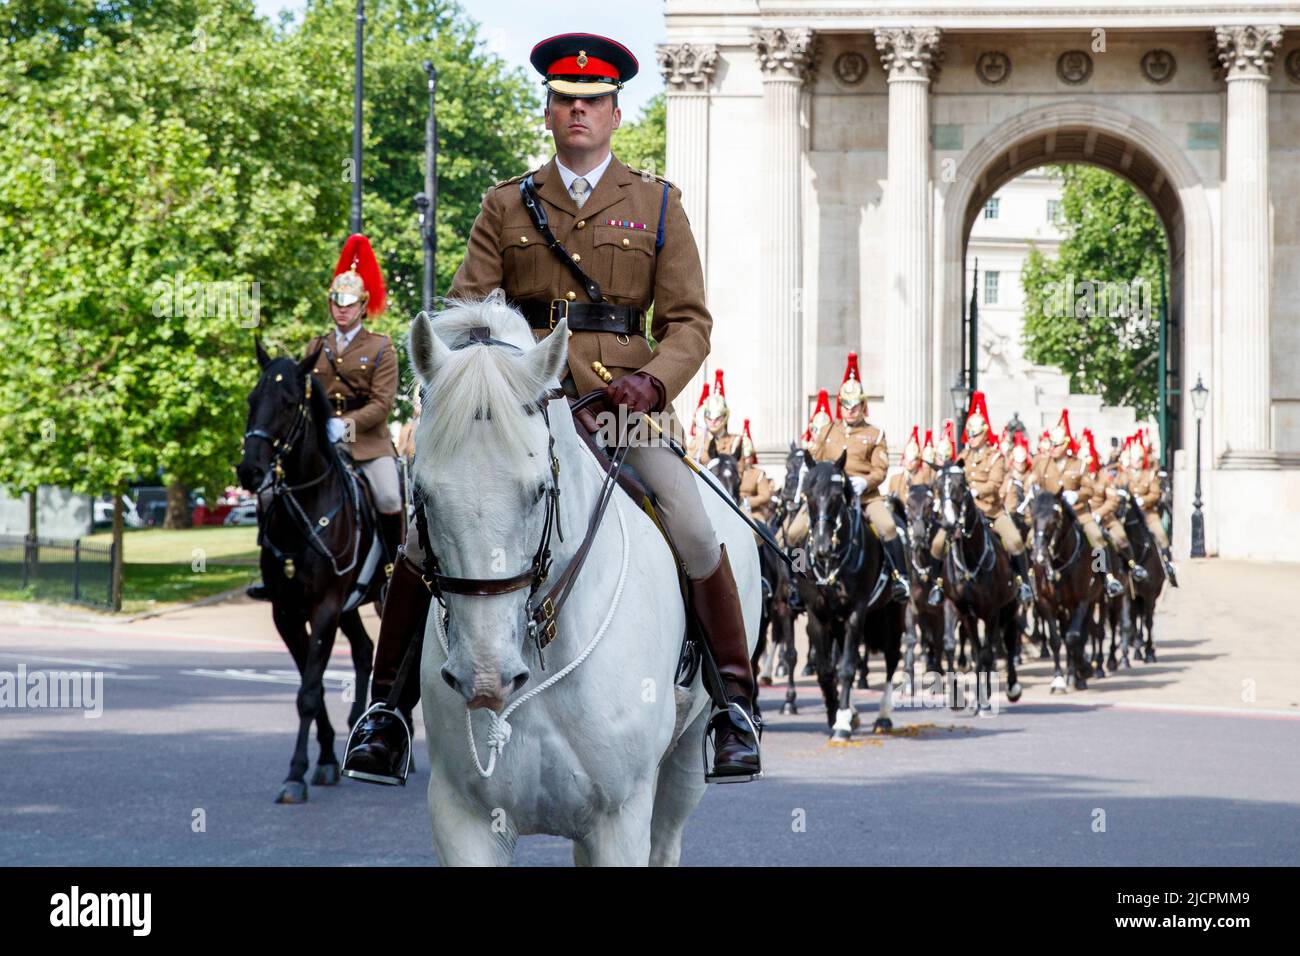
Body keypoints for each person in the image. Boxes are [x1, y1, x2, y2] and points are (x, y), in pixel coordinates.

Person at [344, 32, 760, 784]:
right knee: (418, 536)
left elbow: (690, 322)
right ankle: (386, 712)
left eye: (592, 102)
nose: (578, 112)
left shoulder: (657, 203)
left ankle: (733, 705)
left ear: (614, 113)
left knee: (694, 527)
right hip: (521, 409)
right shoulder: (506, 204)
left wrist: (654, 384)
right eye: (565, 101)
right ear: (548, 111)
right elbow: (468, 314)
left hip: (621, 408)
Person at [246, 234, 401, 602]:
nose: (342, 309)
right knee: (269, 492)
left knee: (390, 497)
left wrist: (344, 426)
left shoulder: (381, 347)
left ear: (363, 306)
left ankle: (391, 571)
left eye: (349, 303)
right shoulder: (317, 347)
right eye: (336, 301)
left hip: (365, 442)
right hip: (319, 442)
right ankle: (273, 569)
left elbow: (382, 404)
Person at [794, 352, 909, 603]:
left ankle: (900, 578)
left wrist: (865, 482)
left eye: (854, 405)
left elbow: (881, 469)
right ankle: (797, 578)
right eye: (845, 405)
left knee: (889, 528)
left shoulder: (875, 434)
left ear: (862, 405)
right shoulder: (827, 431)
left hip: (864, 496)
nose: (850, 410)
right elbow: (813, 457)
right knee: (794, 533)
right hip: (828, 495)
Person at [928, 391, 1033, 605]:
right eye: (969, 434)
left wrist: (974, 491)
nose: (971, 438)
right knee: (938, 544)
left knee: (1014, 540)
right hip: (963, 513)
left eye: (975, 434)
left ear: (985, 434)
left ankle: (1023, 584)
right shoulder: (962, 457)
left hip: (990, 510)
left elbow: (995, 484)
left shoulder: (995, 456)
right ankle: (937, 585)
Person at [1129, 431, 1178, 585]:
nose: (1135, 462)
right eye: (1133, 459)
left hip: (1147, 513)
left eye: (1138, 459)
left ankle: (1167, 566)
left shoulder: (1149, 475)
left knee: (1161, 536)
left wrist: (1142, 500)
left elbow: (1155, 494)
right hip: (1129, 515)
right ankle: (1104, 572)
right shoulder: (1125, 474)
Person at [687, 369, 742, 463]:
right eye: (709, 419)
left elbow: (739, 473)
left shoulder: (734, 442)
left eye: (717, 418)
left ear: (725, 417)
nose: (713, 422)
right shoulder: (697, 443)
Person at [886, 426, 935, 501]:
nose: (909, 463)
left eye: (913, 460)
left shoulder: (924, 479)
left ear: (919, 461)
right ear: (903, 460)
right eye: (907, 459)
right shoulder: (894, 479)